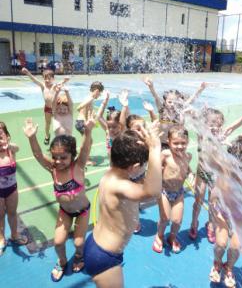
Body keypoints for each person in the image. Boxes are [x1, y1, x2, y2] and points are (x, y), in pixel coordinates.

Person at [83, 121, 162, 288]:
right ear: (134, 167)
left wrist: (143, 135)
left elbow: (123, 145)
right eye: (144, 166)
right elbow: (153, 191)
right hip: (104, 256)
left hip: (98, 246)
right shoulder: (120, 185)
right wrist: (155, 149)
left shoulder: (113, 172)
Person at [23, 113, 96, 282]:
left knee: (78, 243)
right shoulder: (53, 170)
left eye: (63, 157)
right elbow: (38, 155)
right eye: (55, 157)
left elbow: (85, 148)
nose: (57, 161)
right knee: (58, 242)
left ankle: (79, 256)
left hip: (83, 211)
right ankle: (62, 261)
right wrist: (32, 137)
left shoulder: (78, 166)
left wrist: (88, 131)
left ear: (72, 155)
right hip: (65, 212)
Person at [189, 108, 242, 243]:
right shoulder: (202, 135)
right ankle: (194, 222)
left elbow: (232, 127)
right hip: (202, 172)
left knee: (212, 202)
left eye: (219, 124)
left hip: (215, 174)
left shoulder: (222, 136)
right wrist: (193, 113)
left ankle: (210, 225)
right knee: (198, 199)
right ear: (205, 123)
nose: (216, 126)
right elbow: (196, 121)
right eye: (213, 123)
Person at [208, 124, 242, 287]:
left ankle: (229, 267)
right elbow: (211, 159)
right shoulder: (223, 169)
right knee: (220, 245)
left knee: (236, 247)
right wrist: (214, 141)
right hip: (222, 212)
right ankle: (217, 263)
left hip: (240, 214)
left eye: (241, 165)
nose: (237, 169)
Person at [152, 126, 192, 253]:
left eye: (183, 143)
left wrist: (190, 174)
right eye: (176, 143)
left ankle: (172, 237)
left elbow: (187, 168)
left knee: (177, 220)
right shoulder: (165, 154)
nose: (180, 146)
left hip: (179, 192)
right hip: (164, 191)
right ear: (169, 142)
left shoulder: (188, 156)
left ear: (188, 142)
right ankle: (159, 236)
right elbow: (154, 167)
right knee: (165, 218)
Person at [143, 77, 207, 148]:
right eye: (170, 102)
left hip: (177, 144)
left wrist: (200, 89)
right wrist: (151, 86)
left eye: (175, 102)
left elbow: (192, 99)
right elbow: (155, 96)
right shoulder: (162, 110)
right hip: (163, 143)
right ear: (165, 102)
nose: (172, 104)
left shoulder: (181, 110)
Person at [21, 67, 70, 145]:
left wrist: (65, 80)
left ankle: (60, 135)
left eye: (49, 78)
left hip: (56, 109)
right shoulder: (43, 86)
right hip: (47, 109)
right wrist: (27, 72)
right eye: (45, 78)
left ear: (53, 79)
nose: (47, 80)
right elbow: (34, 79)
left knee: (58, 123)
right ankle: (47, 136)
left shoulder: (55, 86)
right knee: (47, 124)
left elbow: (61, 83)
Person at [0, 122, 28, 256]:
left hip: (11, 189)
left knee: (12, 212)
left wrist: (9, 145)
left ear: (7, 136)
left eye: (1, 134)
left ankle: (14, 234)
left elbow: (17, 147)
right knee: (0, 215)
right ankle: (0, 238)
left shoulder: (11, 150)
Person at [75, 81, 104, 165]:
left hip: (81, 122)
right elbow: (79, 108)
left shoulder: (89, 98)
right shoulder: (90, 99)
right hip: (82, 122)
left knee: (88, 141)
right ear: (96, 91)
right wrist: (85, 121)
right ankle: (85, 159)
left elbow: (87, 110)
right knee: (88, 142)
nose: (99, 95)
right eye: (100, 93)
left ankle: (85, 156)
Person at [97, 90, 129, 156]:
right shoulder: (107, 130)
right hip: (112, 161)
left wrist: (125, 105)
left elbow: (125, 118)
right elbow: (99, 117)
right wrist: (105, 101)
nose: (111, 129)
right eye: (109, 126)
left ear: (119, 125)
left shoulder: (122, 131)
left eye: (114, 127)